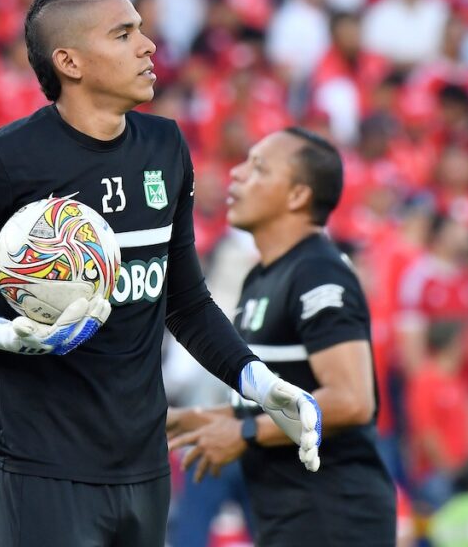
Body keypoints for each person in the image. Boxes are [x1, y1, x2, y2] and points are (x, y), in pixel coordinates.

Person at [0, 0, 321, 547]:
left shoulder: (165, 146)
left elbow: (187, 302)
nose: (148, 46)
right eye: (124, 34)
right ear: (69, 61)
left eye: (142, 30)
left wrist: (259, 382)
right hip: (42, 468)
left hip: (144, 466)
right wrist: (0, 332)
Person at [167, 129, 395, 545]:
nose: (236, 174)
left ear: (296, 196)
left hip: (334, 515)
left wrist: (244, 434)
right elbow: (287, 397)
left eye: (258, 168)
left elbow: (351, 400)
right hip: (287, 511)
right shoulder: (262, 276)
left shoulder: (317, 273)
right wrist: (199, 420)